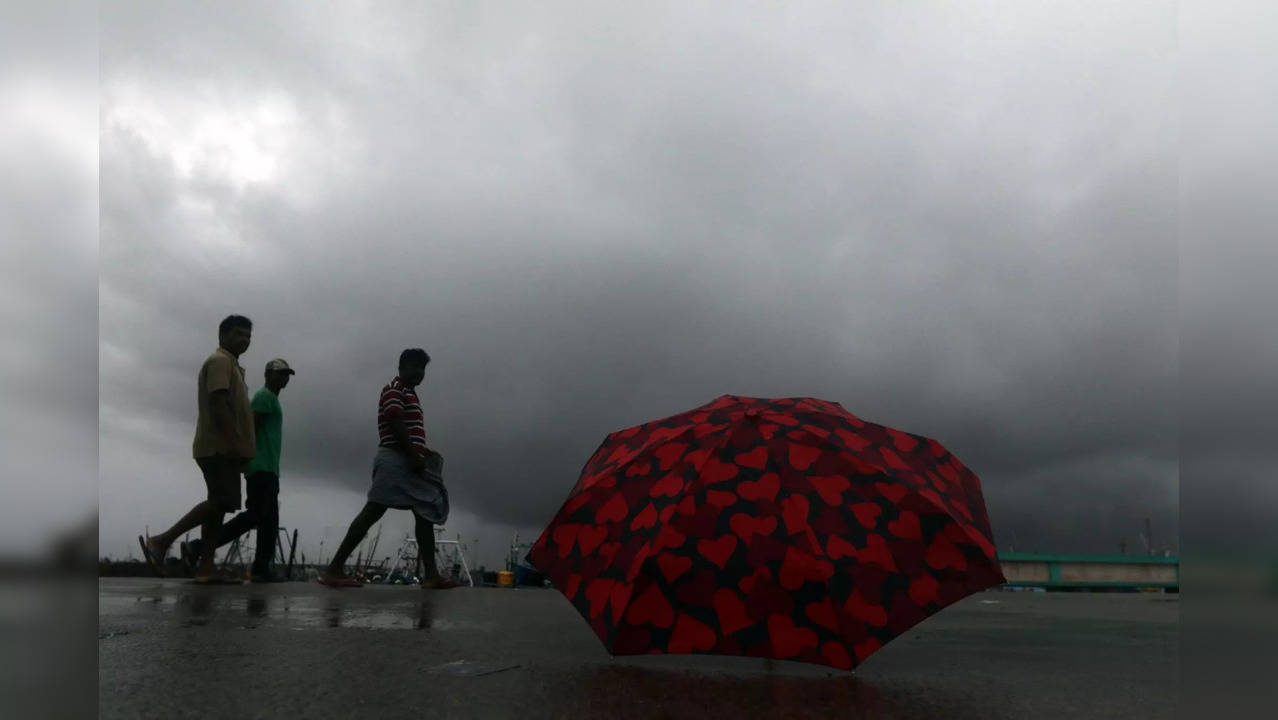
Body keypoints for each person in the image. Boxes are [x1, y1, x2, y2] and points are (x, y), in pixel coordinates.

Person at [319, 348, 459, 589]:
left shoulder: (409, 393)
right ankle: (334, 569)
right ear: (401, 368)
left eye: (422, 368)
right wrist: (413, 453)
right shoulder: (394, 390)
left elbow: (405, 426)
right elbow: (394, 421)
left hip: (407, 459)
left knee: (424, 512)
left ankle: (431, 575)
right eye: (414, 367)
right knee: (373, 510)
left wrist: (420, 451)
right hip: (395, 460)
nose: (419, 373)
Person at [139, 315, 256, 584]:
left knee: (219, 507)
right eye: (239, 334)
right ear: (223, 336)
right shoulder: (219, 362)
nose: (245, 340)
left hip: (226, 448)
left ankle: (206, 567)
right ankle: (161, 540)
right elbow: (217, 402)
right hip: (218, 447)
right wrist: (231, 442)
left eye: (248, 336)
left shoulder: (233, 366)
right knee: (220, 502)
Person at [180, 358, 295, 582]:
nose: (284, 378)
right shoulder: (264, 397)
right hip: (260, 467)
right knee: (255, 515)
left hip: (270, 468)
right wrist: (245, 458)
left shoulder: (272, 399)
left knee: (269, 521)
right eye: (280, 374)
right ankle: (198, 548)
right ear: (268, 375)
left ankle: (262, 567)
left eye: (287, 375)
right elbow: (250, 428)